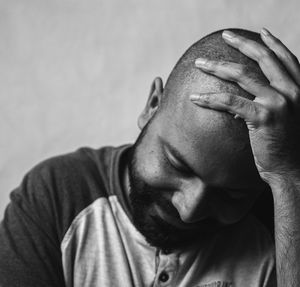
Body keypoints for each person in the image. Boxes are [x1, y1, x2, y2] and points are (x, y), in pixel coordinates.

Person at [0, 27, 299, 287]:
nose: (189, 211)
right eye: (176, 164)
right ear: (152, 105)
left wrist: (288, 179)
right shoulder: (60, 196)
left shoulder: (280, 209)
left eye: (231, 195)